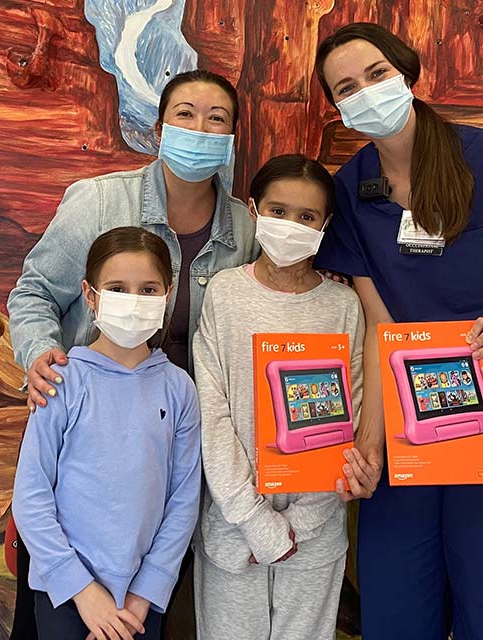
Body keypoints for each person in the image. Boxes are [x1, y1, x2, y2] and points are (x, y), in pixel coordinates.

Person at [312, 22, 483, 640]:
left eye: (376, 75)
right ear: (337, 108)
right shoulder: (351, 193)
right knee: (396, 609)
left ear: (408, 75)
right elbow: (377, 323)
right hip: (411, 429)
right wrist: (370, 445)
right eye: (346, 87)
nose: (365, 91)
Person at [7, 69, 256, 638]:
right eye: (185, 113)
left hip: (172, 445)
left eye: (216, 118)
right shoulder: (99, 201)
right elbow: (34, 292)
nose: (199, 127)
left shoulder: (244, 227)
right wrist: (42, 356)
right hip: (85, 439)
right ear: (159, 127)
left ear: (232, 139)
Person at [191, 155, 364, 640]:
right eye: (278, 211)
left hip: (316, 532)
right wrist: (252, 518)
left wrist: (302, 522)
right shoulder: (224, 295)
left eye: (307, 217)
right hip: (232, 528)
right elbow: (213, 413)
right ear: (253, 210)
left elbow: (349, 415)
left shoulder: (342, 306)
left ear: (325, 224)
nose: (291, 225)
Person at [12, 227, 201, 640]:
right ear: (90, 294)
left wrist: (146, 592)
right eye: (118, 288)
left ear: (168, 293)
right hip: (65, 593)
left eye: (148, 289)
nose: (133, 301)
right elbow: (31, 492)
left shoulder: (179, 388)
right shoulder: (61, 380)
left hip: (141, 600)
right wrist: (81, 590)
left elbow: (183, 498)